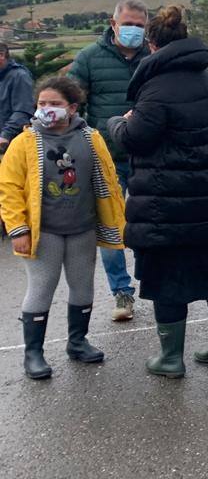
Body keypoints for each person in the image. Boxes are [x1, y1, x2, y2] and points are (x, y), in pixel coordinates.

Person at [108, 6, 208, 379]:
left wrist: (117, 123)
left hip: (168, 206)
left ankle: (170, 358)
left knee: (168, 280)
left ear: (152, 44)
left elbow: (134, 139)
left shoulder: (157, 88)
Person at [1, 76, 127, 380]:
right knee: (42, 287)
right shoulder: (25, 142)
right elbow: (9, 187)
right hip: (45, 231)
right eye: (42, 103)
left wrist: (115, 217)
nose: (46, 109)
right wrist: (18, 229)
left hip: (82, 227)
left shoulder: (90, 137)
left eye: (54, 104)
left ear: (72, 107)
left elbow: (107, 178)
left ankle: (78, 342)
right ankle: (34, 353)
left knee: (83, 285)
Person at [67, 0, 149, 322]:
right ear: (113, 23)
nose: (133, 30)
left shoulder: (153, 58)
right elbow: (72, 103)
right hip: (106, 160)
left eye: (140, 26)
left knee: (148, 226)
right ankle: (122, 292)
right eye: (127, 23)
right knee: (111, 228)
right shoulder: (88, 58)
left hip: (147, 156)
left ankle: (154, 280)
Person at [0, 42, 35, 153]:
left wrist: (5, 135)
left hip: (11, 144)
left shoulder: (20, 76)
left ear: (2, 55)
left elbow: (23, 111)